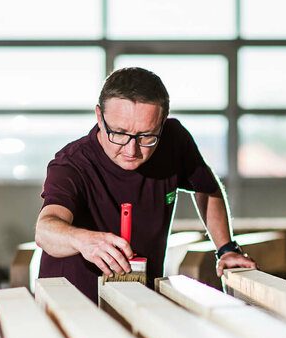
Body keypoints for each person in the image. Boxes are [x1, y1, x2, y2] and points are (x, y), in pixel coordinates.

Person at [35, 66, 256, 303]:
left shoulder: (174, 140)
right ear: (100, 117)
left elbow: (206, 188)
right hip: (72, 304)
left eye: (147, 136)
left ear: (162, 123)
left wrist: (226, 249)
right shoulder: (72, 164)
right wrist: (82, 239)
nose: (132, 150)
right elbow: (46, 229)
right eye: (119, 133)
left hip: (143, 301)